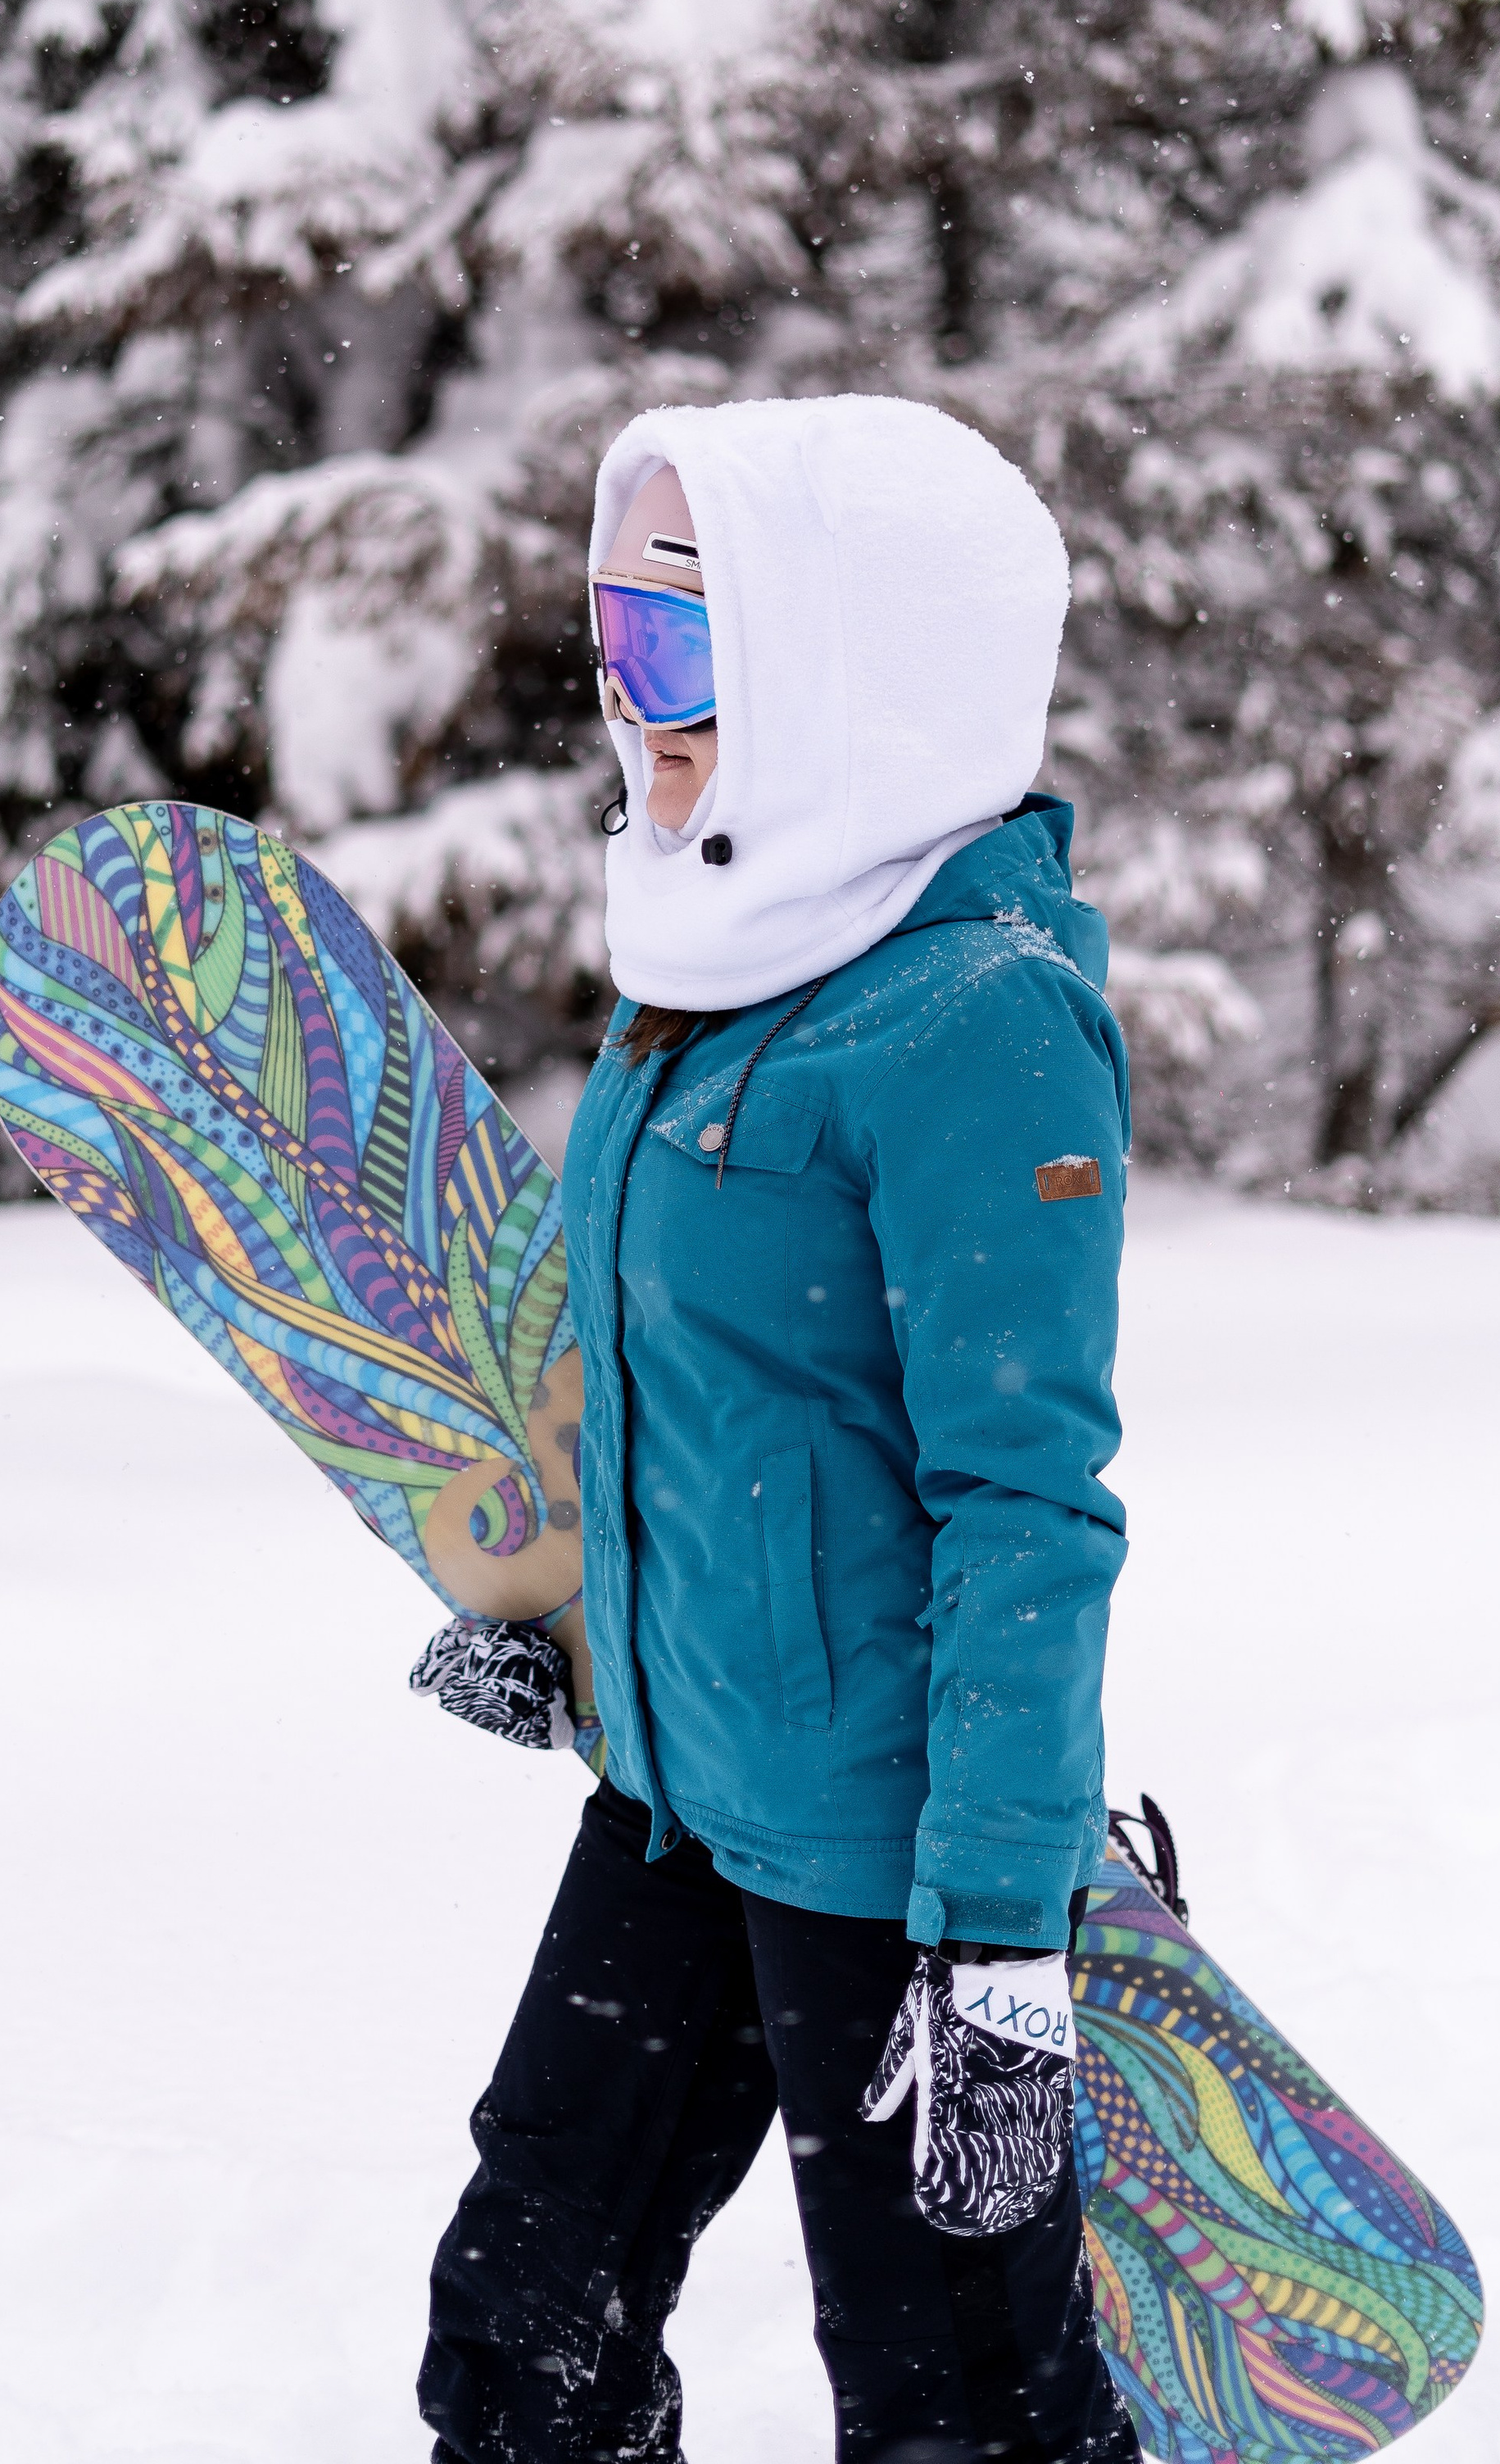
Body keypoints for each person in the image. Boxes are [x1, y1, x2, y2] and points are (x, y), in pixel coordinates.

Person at [418, 396, 1138, 2464]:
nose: (631, 713)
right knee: (519, 2328)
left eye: (680, 650)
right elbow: (705, 1401)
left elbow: (1021, 1508)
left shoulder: (967, 1014)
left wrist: (996, 1949)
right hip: (671, 1796)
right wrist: (577, 1635)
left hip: (884, 1870)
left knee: (952, 2416)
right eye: (611, 642)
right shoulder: (716, 954)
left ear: (850, 665)